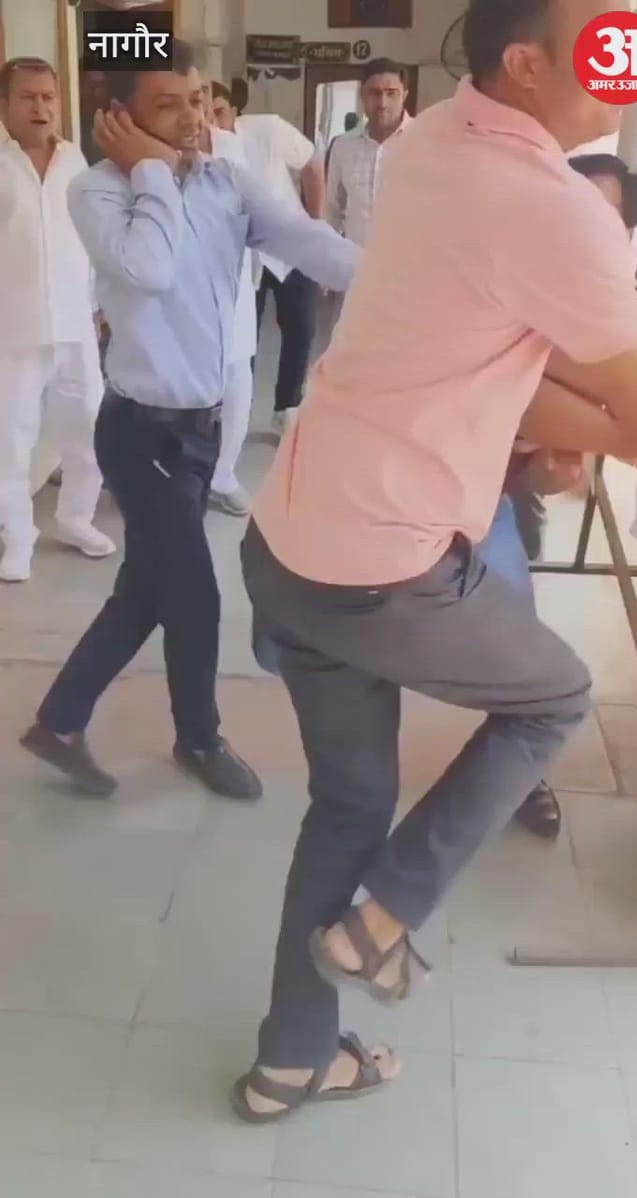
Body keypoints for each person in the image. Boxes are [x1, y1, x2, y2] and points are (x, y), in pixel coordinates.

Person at [234, 0, 637, 1122]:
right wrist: (600, 429)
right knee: (552, 695)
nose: (624, 57)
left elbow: (499, 364)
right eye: (600, 41)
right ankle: (385, 916)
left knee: (347, 804)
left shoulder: (436, 137)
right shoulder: (555, 210)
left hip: (291, 539)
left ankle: (291, 1059)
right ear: (526, 63)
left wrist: (571, 423)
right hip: (381, 564)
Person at [20, 40, 358, 799]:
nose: (193, 117)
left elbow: (308, 241)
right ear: (120, 117)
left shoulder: (224, 181)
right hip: (143, 432)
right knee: (195, 596)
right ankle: (198, 738)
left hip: (200, 430)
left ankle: (60, 721)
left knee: (147, 588)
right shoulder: (97, 191)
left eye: (198, 99)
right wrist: (150, 170)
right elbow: (147, 269)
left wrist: (406, 280)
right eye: (168, 105)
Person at [498, 152, 637, 840]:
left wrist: (563, 454)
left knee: (514, 631)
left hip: (499, 490)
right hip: (417, 481)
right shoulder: (499, 272)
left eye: (599, 214)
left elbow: (562, 460)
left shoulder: (610, 317)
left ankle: (516, 772)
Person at [0, 57, 115, 584]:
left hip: (75, 322)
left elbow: (90, 238)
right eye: (28, 97)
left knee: (89, 427)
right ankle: (17, 539)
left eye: (48, 96)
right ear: (5, 105)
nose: (41, 107)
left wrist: (98, 303)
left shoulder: (76, 161)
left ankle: (75, 519)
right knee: (11, 440)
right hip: (14, 327)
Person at [235, 110, 326, 438]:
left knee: (301, 328)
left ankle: (287, 407)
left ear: (234, 111)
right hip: (242, 254)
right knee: (243, 338)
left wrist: (315, 227)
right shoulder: (202, 145)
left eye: (219, 110)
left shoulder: (266, 128)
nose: (212, 118)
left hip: (290, 245)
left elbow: (312, 164)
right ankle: (236, 414)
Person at [199, 81, 256, 517]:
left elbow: (248, 206)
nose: (197, 104)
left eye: (201, 94)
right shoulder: (150, 145)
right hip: (179, 284)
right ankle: (183, 477)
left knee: (238, 378)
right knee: (185, 386)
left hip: (233, 278)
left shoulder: (230, 146)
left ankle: (224, 474)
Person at [327, 58, 411, 247]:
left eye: (391, 93)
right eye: (374, 93)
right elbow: (332, 210)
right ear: (362, 96)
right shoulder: (343, 146)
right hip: (354, 260)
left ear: (404, 96)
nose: (382, 103)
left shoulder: (425, 143)